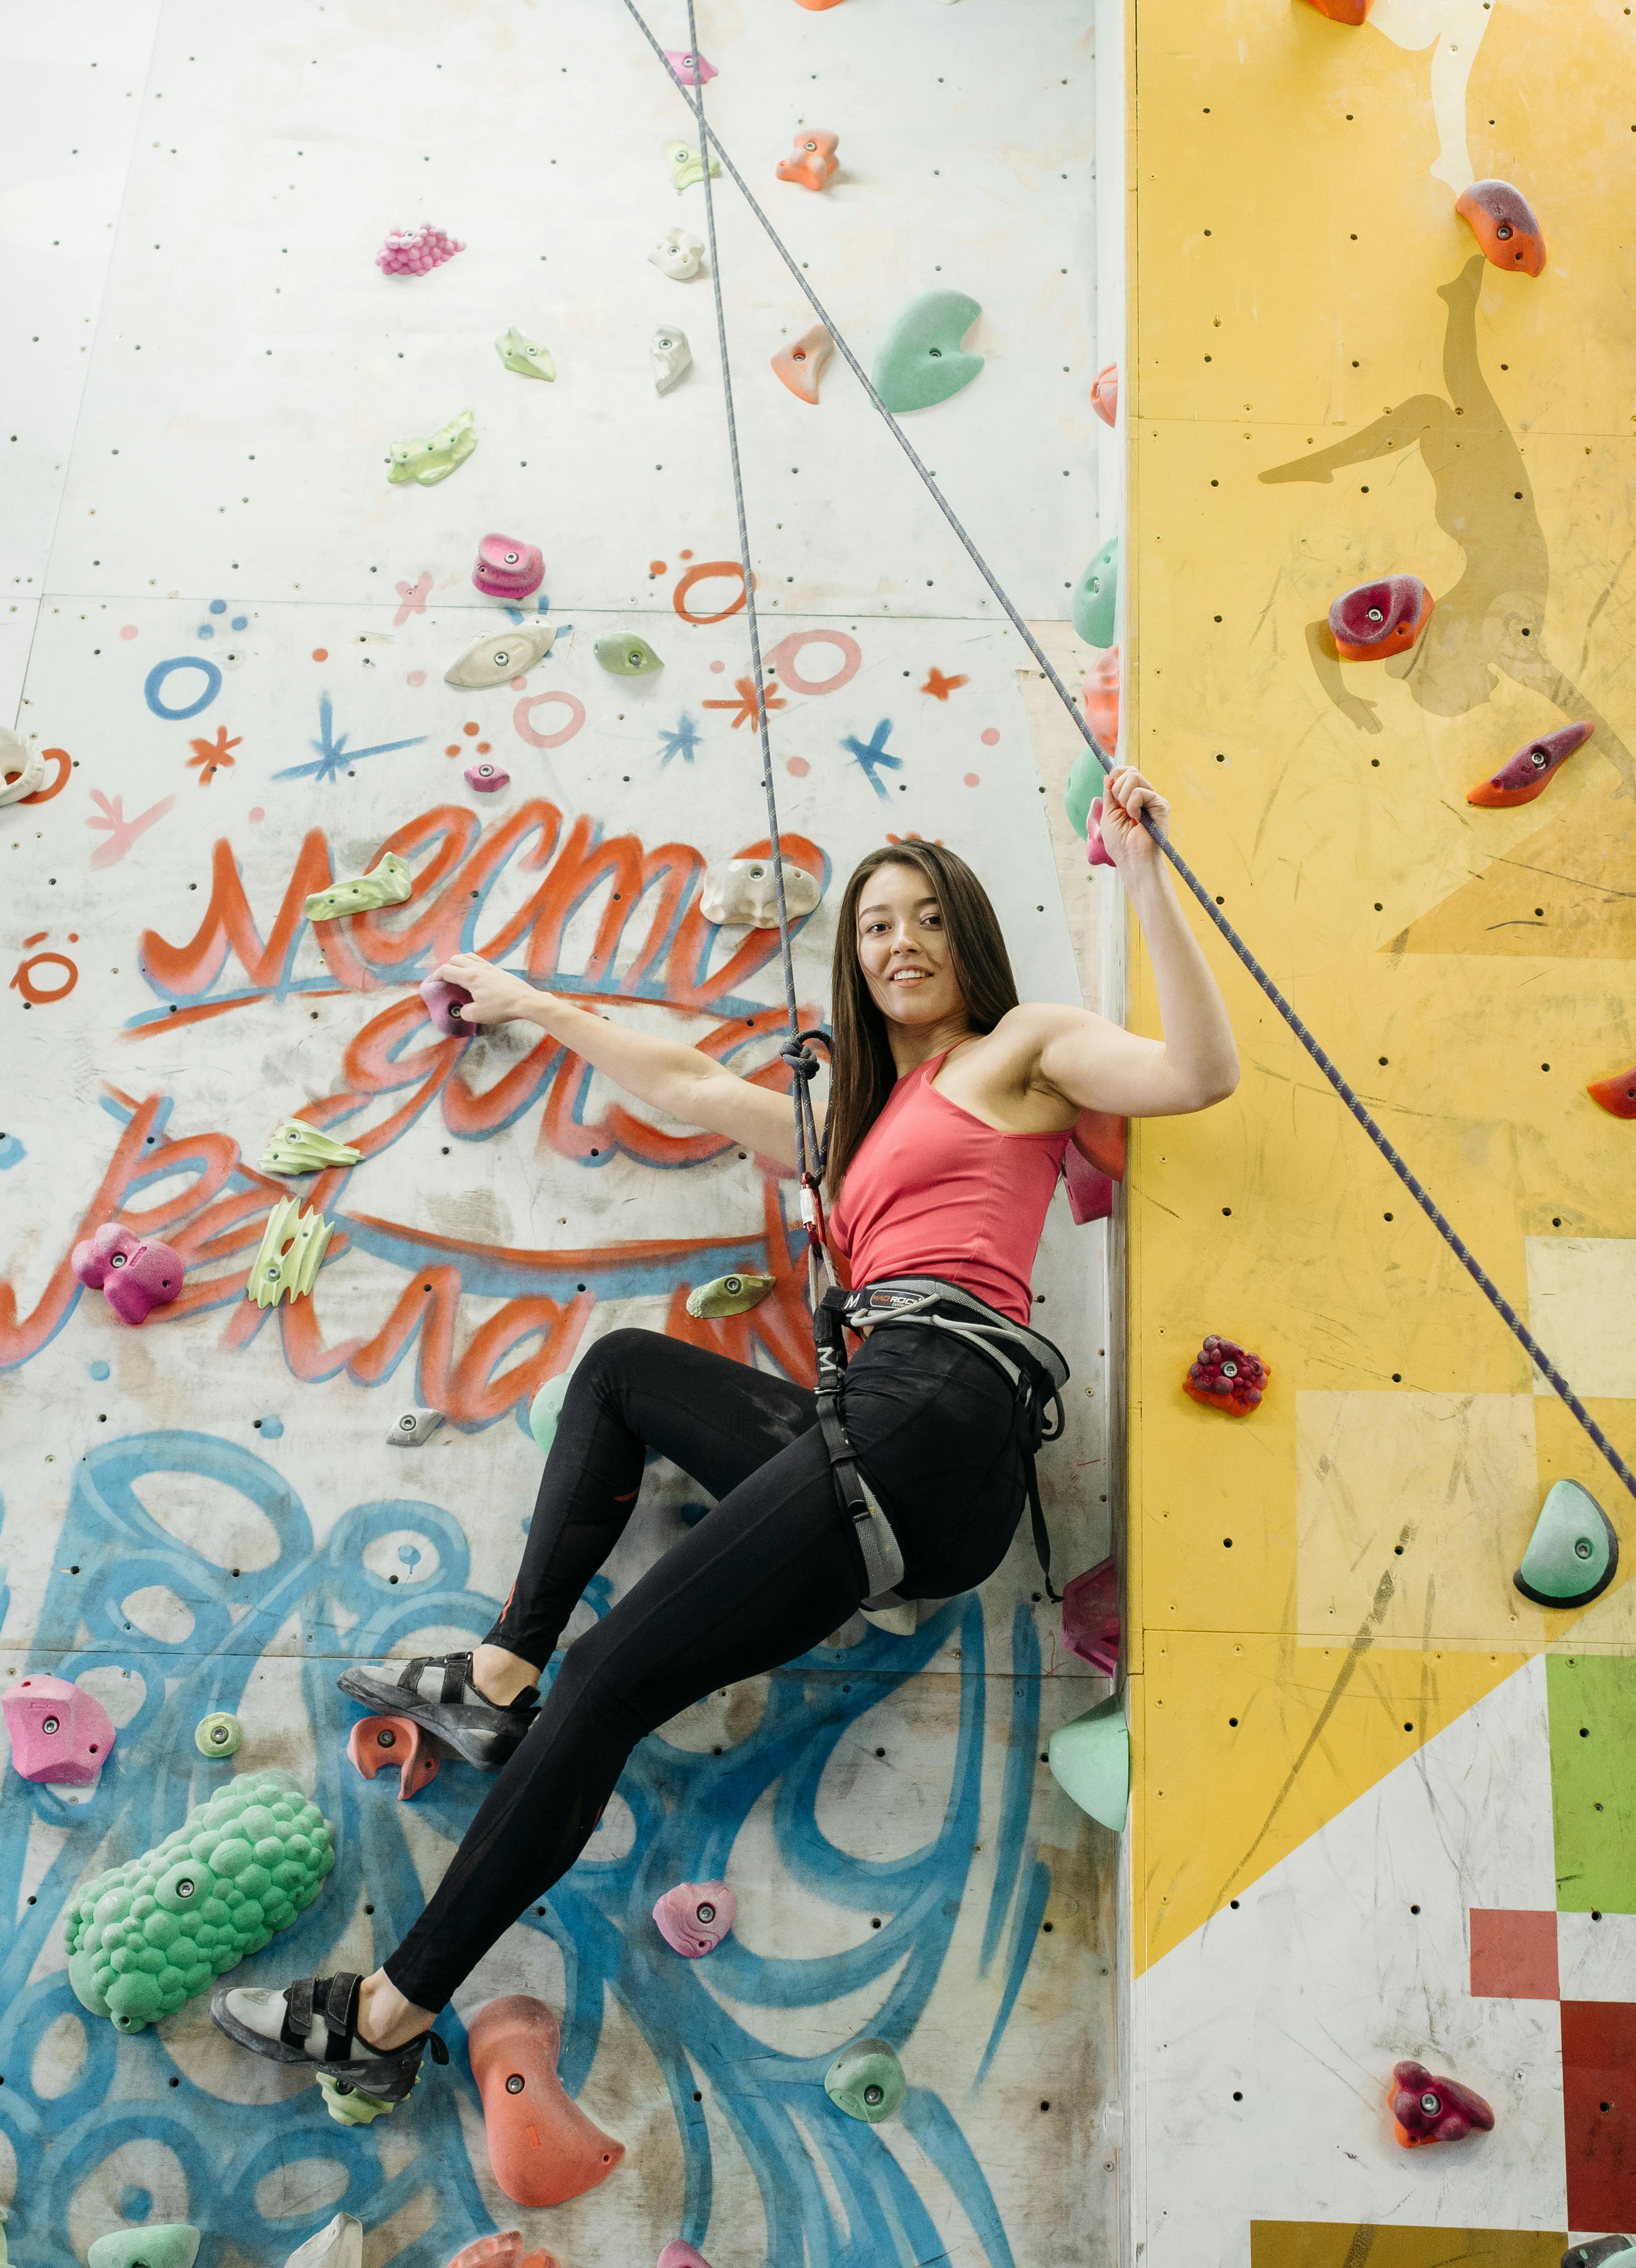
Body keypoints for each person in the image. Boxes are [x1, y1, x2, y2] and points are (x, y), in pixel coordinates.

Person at [211, 765, 1238, 2095]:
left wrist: (1147, 869)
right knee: (629, 1374)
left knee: (611, 1687)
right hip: (887, 1444)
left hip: (935, 1409)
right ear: (851, 962)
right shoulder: (852, 1133)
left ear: (965, 938)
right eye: (873, 926)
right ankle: (496, 1682)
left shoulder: (1021, 1052)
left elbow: (1194, 1073)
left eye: (925, 917)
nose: (899, 943)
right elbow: (687, 1083)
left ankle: (390, 2014)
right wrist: (530, 1004)